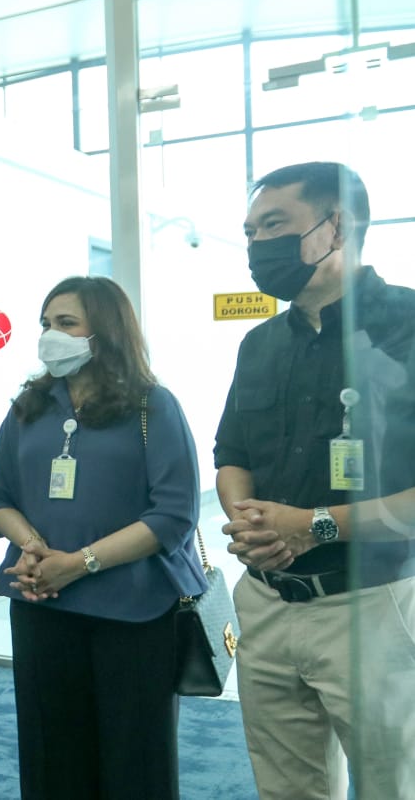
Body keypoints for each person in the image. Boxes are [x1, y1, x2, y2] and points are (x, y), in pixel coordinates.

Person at [217, 162, 415, 798]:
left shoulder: (408, 326)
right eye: (250, 232)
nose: (257, 245)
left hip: (373, 604)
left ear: (338, 227)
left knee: (391, 784)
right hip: (267, 601)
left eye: (274, 225)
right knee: (286, 788)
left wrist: (313, 526)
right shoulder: (259, 344)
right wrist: (250, 523)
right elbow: (231, 455)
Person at [0, 276, 206, 799]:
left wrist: (78, 563)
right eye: (45, 324)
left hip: (134, 611)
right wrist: (32, 546)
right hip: (41, 603)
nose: (50, 335)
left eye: (66, 323)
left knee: (135, 763)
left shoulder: (153, 406)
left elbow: (174, 515)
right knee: (51, 760)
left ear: (105, 331)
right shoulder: (29, 407)